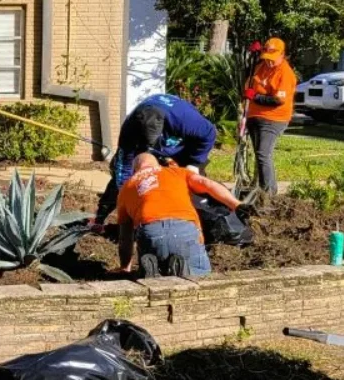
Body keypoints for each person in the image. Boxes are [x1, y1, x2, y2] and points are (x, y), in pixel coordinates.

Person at [92, 94, 217, 228]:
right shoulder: (129, 129)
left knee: (192, 184)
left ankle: (203, 224)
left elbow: (209, 133)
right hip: (145, 146)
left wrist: (194, 163)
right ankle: (98, 219)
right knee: (118, 176)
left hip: (183, 148)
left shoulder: (184, 119)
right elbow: (124, 167)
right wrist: (127, 195)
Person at [117, 153, 247, 278]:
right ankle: (184, 271)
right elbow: (208, 184)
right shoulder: (177, 172)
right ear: (157, 164)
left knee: (153, 256)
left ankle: (154, 272)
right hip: (183, 228)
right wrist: (237, 205)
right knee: (201, 277)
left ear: (135, 170)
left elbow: (125, 237)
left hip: (150, 232)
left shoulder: (126, 188)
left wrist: (125, 267)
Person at [244, 37, 297, 195]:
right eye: (266, 58)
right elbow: (249, 84)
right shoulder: (260, 67)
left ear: (282, 55)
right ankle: (261, 188)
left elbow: (277, 100)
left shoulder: (285, 73)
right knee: (259, 154)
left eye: (272, 59)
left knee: (263, 153)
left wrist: (255, 97)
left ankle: (269, 193)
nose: (269, 62)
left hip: (274, 119)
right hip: (254, 116)